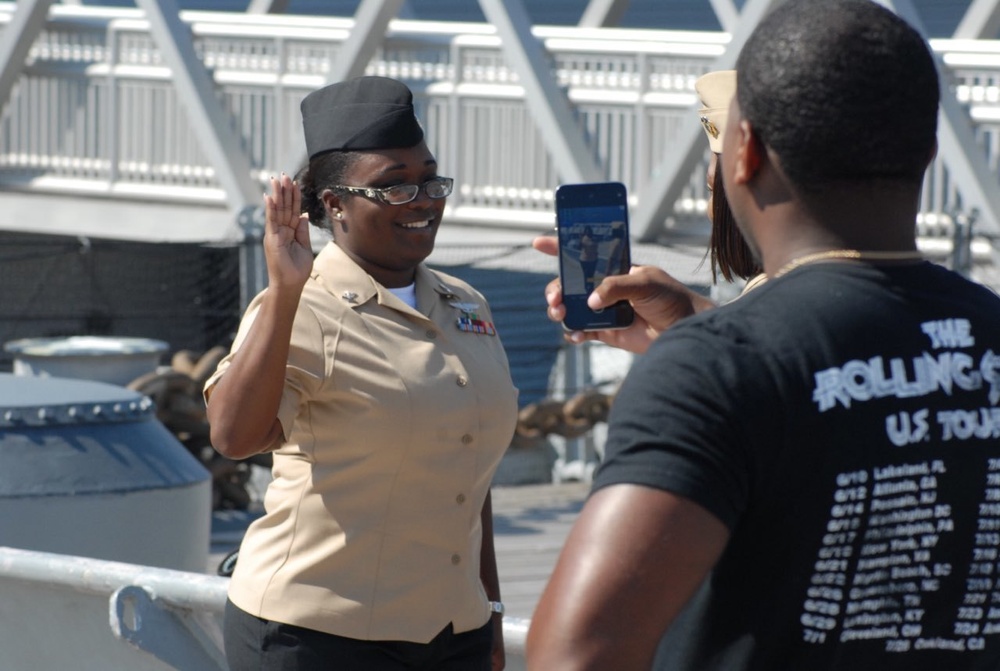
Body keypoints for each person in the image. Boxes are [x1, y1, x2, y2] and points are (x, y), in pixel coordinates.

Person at [526, 1, 1000, 669]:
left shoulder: (717, 365)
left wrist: (704, 350)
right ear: (926, 149)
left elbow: (579, 653)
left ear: (743, 152)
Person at [204, 75, 518, 671]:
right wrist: (284, 290)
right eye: (393, 187)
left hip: (453, 634)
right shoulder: (302, 305)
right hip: (317, 638)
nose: (423, 199)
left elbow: (468, 472)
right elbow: (233, 436)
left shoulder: (465, 304)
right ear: (334, 204)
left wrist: (490, 606)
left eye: (429, 179)